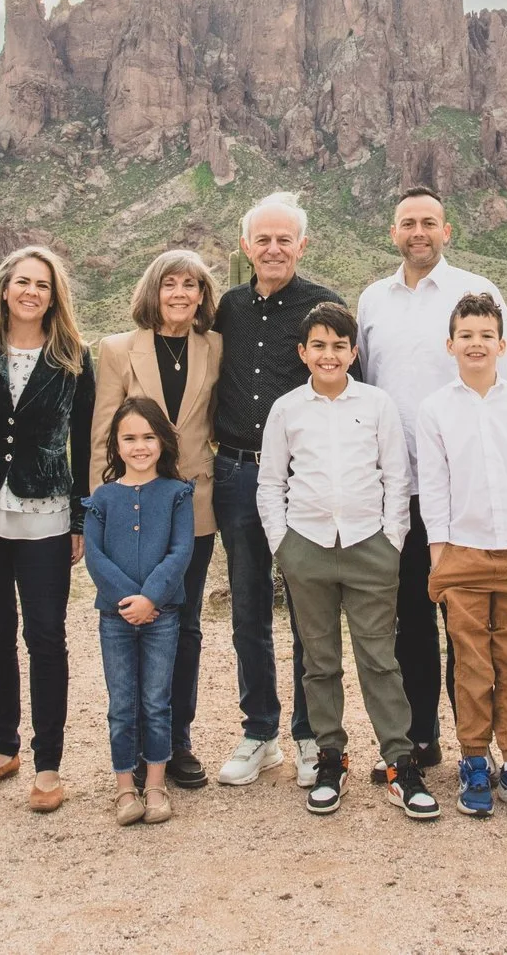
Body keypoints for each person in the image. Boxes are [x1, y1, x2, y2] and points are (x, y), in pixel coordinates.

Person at [352, 185, 507, 767]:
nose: (418, 232)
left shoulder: (478, 293)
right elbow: (365, 384)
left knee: (471, 623)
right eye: (407, 223)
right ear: (392, 232)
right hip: (398, 489)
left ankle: (480, 745)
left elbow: (506, 381)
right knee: (410, 620)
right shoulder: (372, 300)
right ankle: (420, 737)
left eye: (429, 222)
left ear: (447, 232)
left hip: (465, 491)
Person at [257, 301, 438, 821]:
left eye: (339, 346)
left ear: (353, 352)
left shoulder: (377, 404)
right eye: (319, 345)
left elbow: (396, 479)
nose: (329, 354)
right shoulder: (287, 409)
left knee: (380, 658)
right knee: (319, 662)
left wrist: (392, 542)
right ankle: (331, 758)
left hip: (368, 547)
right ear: (303, 352)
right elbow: (271, 484)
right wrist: (282, 545)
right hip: (307, 547)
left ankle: (401, 764)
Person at [208, 191, 342, 789]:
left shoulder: (324, 308)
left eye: (284, 238)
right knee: (248, 608)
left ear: (302, 245)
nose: (273, 248)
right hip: (237, 475)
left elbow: (346, 392)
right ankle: (259, 731)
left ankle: (311, 737)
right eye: (262, 239)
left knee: (309, 611)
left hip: (302, 480)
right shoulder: (228, 308)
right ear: (245, 247)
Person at [0, 246, 95, 814]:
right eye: (22, 282)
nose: (31, 292)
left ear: (54, 295)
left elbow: (86, 441)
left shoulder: (74, 358)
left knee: (45, 637)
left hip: (47, 513)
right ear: (4, 289)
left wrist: (82, 518)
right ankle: (2, 747)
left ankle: (48, 762)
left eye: (42, 284)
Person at [417, 292, 507, 820]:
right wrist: (439, 554)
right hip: (462, 553)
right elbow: (434, 484)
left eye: (485, 336)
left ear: (502, 344)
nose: (476, 344)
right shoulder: (436, 408)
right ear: (450, 345)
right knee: (471, 662)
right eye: (466, 335)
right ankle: (475, 759)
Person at [89, 249, 222, 790]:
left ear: (202, 295)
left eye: (191, 285)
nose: (181, 294)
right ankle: (135, 747)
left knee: (182, 625)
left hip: (194, 504)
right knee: (129, 619)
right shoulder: (119, 350)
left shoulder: (214, 346)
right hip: (129, 510)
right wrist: (97, 510)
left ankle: (176, 741)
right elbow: (103, 431)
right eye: (170, 284)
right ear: (154, 290)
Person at [83, 398, 198, 827]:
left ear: (163, 442)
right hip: (114, 618)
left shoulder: (176, 494)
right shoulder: (103, 497)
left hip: (163, 614)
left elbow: (180, 551)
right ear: (116, 444)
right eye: (129, 438)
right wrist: (127, 600)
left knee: (155, 699)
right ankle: (124, 789)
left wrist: (150, 598)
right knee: (122, 701)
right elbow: (95, 557)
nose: (140, 446)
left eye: (148, 437)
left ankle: (154, 784)